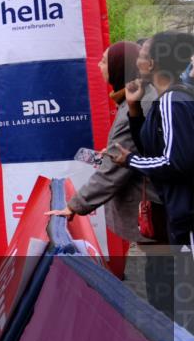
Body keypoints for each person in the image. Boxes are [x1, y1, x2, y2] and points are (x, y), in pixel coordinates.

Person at [46, 42, 159, 244]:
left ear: (119, 67)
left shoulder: (136, 105)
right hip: (153, 206)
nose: (99, 65)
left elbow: (113, 172)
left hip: (149, 211)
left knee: (157, 271)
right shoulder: (137, 98)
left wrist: (74, 206)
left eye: (105, 61)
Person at [111, 31, 194, 246]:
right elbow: (152, 149)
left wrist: (130, 160)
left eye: (142, 54)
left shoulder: (172, 102)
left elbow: (175, 161)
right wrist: (134, 108)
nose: (137, 60)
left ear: (152, 64)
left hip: (187, 214)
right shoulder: (167, 99)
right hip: (179, 211)